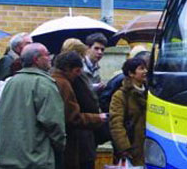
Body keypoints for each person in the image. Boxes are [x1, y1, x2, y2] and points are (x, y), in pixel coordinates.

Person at [0, 43, 65, 169]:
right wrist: (60, 145)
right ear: (36, 60)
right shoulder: (44, 84)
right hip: (36, 159)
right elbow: (54, 122)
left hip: (8, 157)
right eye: (46, 54)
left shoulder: (11, 82)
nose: (50, 57)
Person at [51, 51, 108, 169]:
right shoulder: (64, 85)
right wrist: (98, 118)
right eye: (77, 71)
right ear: (68, 69)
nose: (78, 74)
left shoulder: (51, 79)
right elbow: (72, 117)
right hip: (69, 143)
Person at [72, 33, 108, 169]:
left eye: (102, 50)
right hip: (81, 119)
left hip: (91, 121)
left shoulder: (95, 68)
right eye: (96, 48)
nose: (100, 52)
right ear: (88, 48)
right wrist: (93, 88)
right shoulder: (79, 68)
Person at [109, 57, 148, 166]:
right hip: (132, 148)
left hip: (150, 146)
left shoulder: (150, 93)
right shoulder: (120, 95)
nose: (145, 71)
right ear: (131, 73)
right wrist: (124, 148)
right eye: (141, 69)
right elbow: (116, 124)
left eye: (145, 68)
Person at [99, 47, 150, 113]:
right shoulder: (120, 83)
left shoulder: (147, 87)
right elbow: (105, 99)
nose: (146, 70)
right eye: (142, 68)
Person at [0, 33, 32, 104]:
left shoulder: (20, 62)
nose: (31, 46)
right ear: (17, 47)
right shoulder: (7, 61)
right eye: (28, 44)